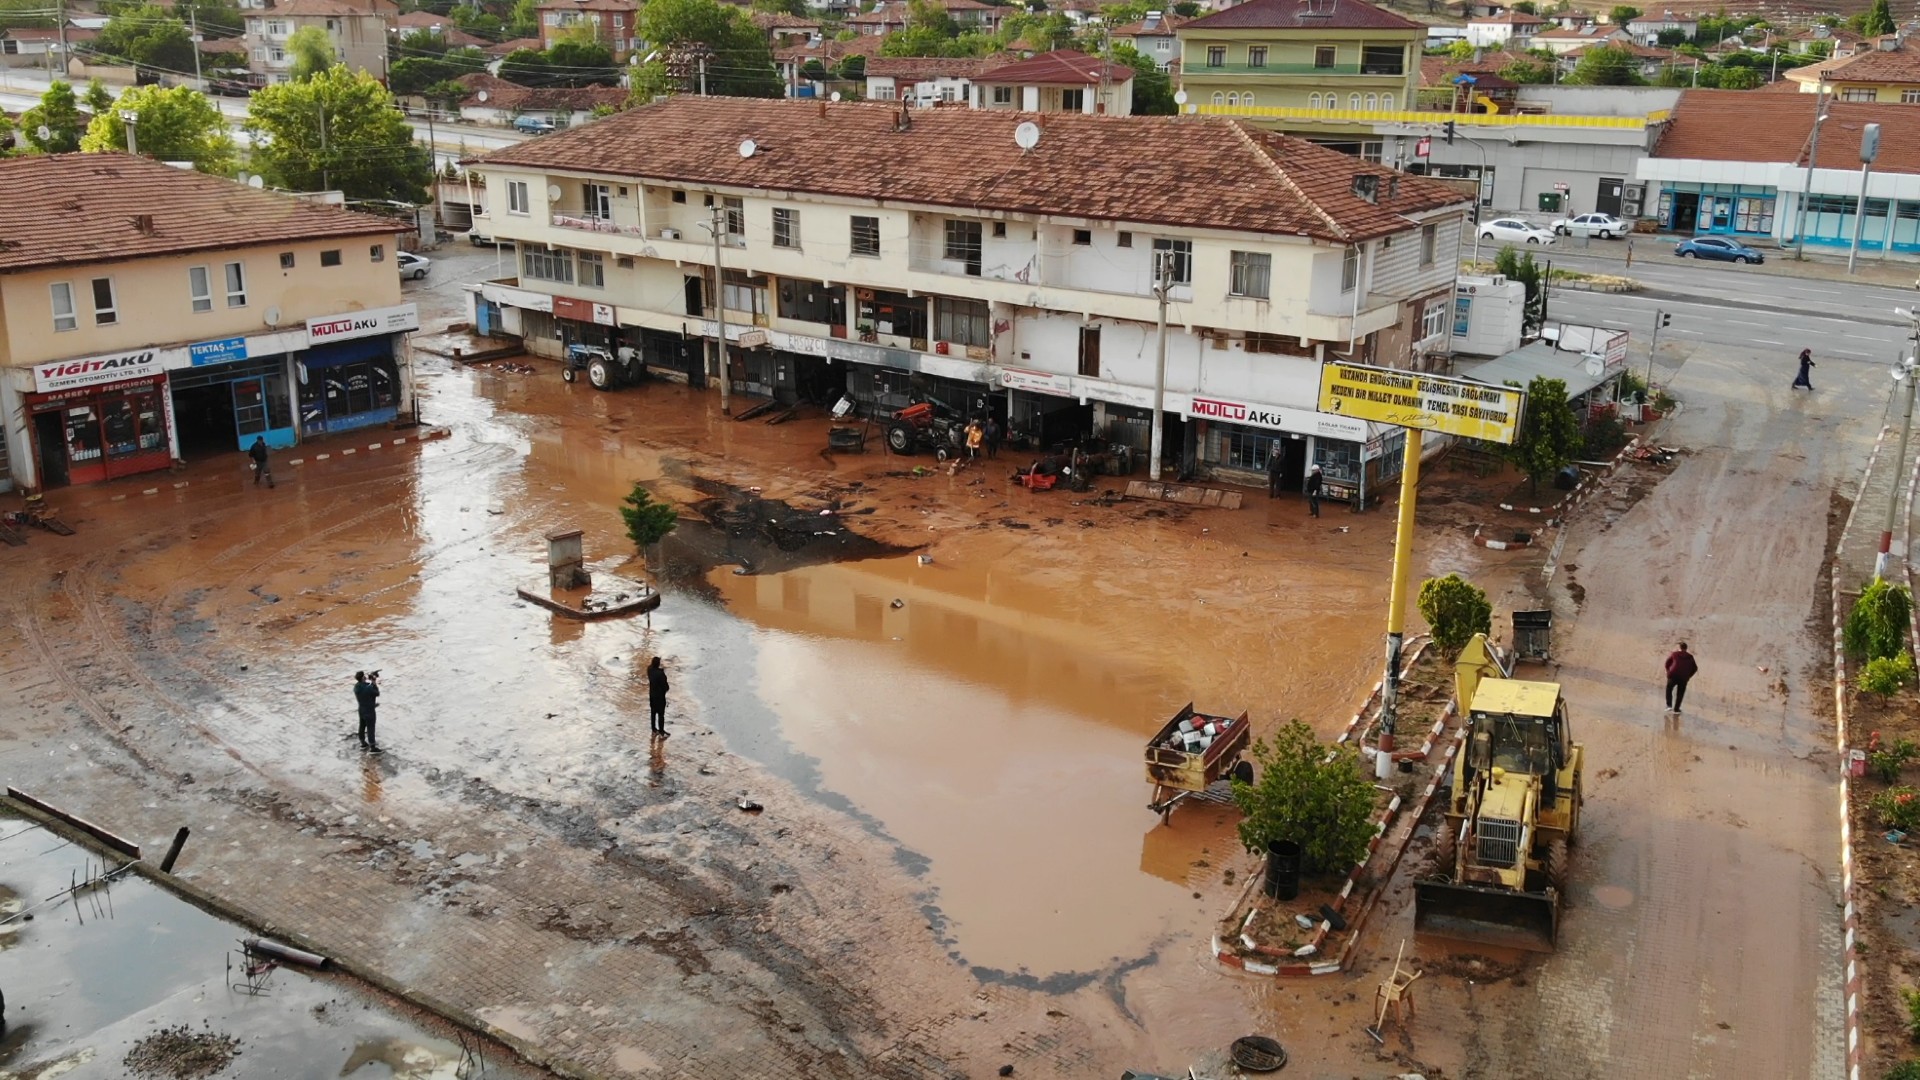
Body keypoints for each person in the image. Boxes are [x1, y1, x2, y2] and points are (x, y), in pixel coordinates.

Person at [1664, 642, 1698, 714]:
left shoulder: (1674, 654)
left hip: (1673, 675)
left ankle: (1669, 705)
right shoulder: (1690, 657)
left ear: (1679, 648)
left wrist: (1668, 672)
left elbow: (1667, 663)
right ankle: (1676, 709)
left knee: (1669, 689)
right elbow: (1695, 668)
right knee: (1680, 693)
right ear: (1686, 648)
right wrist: (1688, 676)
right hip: (1683, 678)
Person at [353, 670, 382, 752]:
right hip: (369, 711)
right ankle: (372, 747)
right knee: (371, 728)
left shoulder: (356, 687)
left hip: (361, 709)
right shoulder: (368, 688)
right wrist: (373, 682)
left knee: (362, 726)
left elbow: (366, 690)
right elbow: (376, 693)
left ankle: (363, 743)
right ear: (363, 678)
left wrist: (370, 683)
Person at [646, 657, 670, 738]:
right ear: (658, 664)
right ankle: (661, 732)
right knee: (661, 714)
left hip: (652, 695)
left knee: (653, 713)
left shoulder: (649, 670)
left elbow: (651, 667)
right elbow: (666, 687)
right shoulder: (661, 674)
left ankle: (654, 730)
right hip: (660, 697)